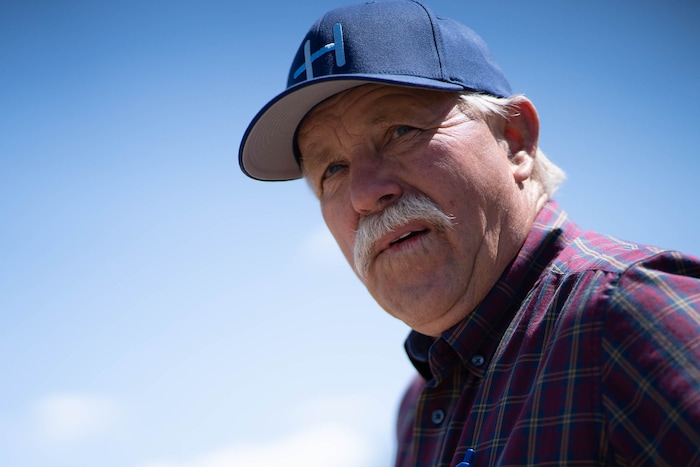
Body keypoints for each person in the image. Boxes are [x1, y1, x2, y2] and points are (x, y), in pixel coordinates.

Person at [238, 0, 700, 465]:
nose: (364, 193)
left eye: (400, 131)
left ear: (515, 141)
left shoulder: (629, 313)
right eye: (333, 169)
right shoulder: (417, 407)